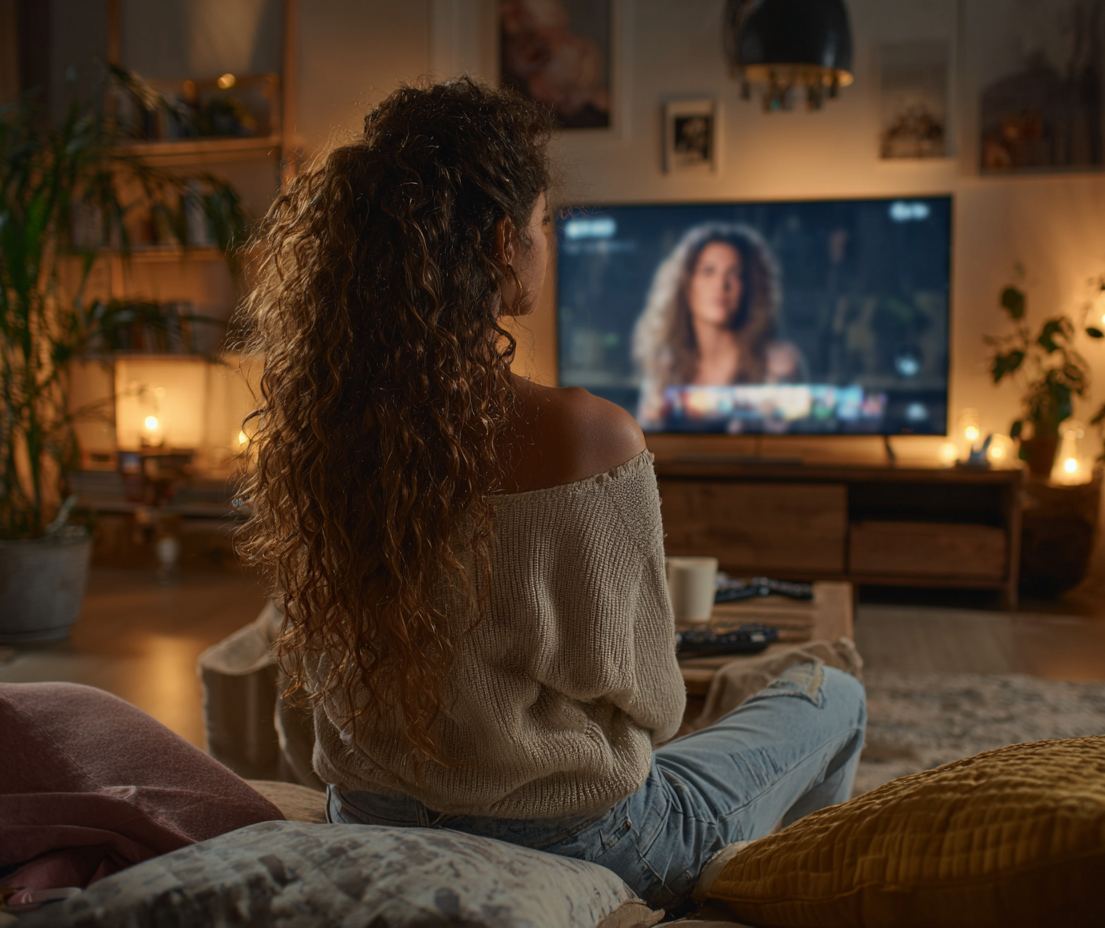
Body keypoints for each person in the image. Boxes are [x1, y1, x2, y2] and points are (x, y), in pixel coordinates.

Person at [234, 79, 864, 913]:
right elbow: (655, 702)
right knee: (833, 696)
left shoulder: (318, 436)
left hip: (369, 813)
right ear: (502, 243)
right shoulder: (587, 436)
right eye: (541, 227)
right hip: (579, 837)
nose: (544, 243)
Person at [633, 223, 806, 428]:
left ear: (748, 287)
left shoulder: (777, 364)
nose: (721, 284)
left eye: (735, 274)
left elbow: (788, 445)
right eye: (708, 271)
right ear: (687, 285)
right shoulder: (667, 368)